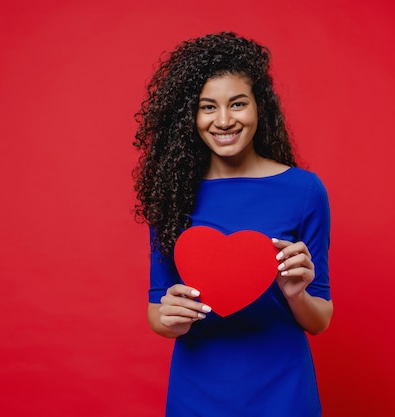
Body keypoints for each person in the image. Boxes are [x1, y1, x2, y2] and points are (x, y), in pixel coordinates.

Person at [133, 32, 332, 417]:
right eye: (208, 107)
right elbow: (158, 311)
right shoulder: (172, 192)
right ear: (190, 115)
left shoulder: (305, 191)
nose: (224, 120)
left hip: (283, 389)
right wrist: (171, 318)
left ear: (260, 107)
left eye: (237, 103)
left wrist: (295, 294)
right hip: (197, 389)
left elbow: (320, 318)